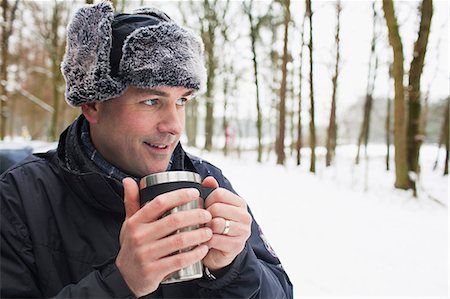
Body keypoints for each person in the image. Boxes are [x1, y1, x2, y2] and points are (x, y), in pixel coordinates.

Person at [0, 2, 293, 298]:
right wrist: (120, 283)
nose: (175, 125)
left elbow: (281, 292)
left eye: (182, 101)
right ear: (92, 104)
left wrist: (234, 268)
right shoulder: (20, 198)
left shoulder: (207, 181)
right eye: (152, 101)